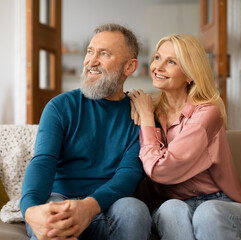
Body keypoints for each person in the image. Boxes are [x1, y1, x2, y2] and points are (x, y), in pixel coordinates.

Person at [20, 23, 152, 240]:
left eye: (104, 54)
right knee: (55, 216)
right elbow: (43, 161)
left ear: (129, 67)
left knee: (135, 210)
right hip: (61, 198)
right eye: (90, 51)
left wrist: (89, 207)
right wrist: (30, 210)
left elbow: (129, 174)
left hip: (110, 206)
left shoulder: (141, 116)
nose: (91, 61)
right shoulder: (60, 107)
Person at [129, 34, 241, 240]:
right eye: (157, 58)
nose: (158, 67)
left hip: (221, 205)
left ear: (190, 74)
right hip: (172, 205)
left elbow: (161, 170)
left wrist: (145, 117)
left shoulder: (207, 113)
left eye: (171, 62)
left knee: (207, 214)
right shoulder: (148, 108)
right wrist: (143, 110)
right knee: (171, 209)